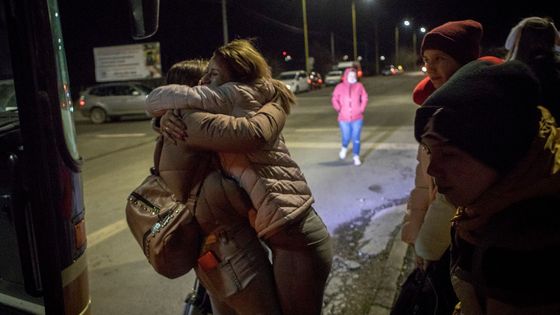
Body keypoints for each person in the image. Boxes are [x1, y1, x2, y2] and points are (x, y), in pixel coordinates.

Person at [149, 39, 333, 315]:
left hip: (285, 234)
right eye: (201, 77)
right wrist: (276, 104)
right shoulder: (197, 120)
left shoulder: (227, 108)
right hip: (241, 247)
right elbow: (248, 142)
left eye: (212, 74)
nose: (204, 81)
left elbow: (249, 139)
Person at [415, 59, 560, 314]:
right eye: (429, 149)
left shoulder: (525, 250)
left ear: (501, 154)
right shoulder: (489, 202)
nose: (432, 169)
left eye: (449, 154)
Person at [155, 58, 286, 314]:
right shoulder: (194, 126)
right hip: (230, 249)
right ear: (190, 90)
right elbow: (252, 138)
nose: (213, 86)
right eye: (205, 80)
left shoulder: (176, 126)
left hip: (209, 248)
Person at [402, 19, 484, 271]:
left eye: (440, 58)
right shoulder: (431, 108)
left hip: (469, 240)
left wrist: (426, 246)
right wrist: (414, 234)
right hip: (438, 240)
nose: (430, 68)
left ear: (463, 62)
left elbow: (450, 197)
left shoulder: (474, 111)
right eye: (426, 60)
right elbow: (422, 183)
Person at [505, 16, 560, 118]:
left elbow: (508, 46)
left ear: (520, 41)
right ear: (551, 39)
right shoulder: (554, 69)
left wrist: (520, 27)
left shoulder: (510, 73)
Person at [331, 67, 368, 166]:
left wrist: (361, 108)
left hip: (357, 118)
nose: (352, 77)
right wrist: (338, 108)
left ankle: (356, 156)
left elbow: (364, 97)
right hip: (343, 118)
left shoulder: (359, 86)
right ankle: (344, 147)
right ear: (346, 76)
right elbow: (334, 98)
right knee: (346, 137)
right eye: (350, 75)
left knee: (356, 138)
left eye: (354, 75)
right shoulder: (339, 87)